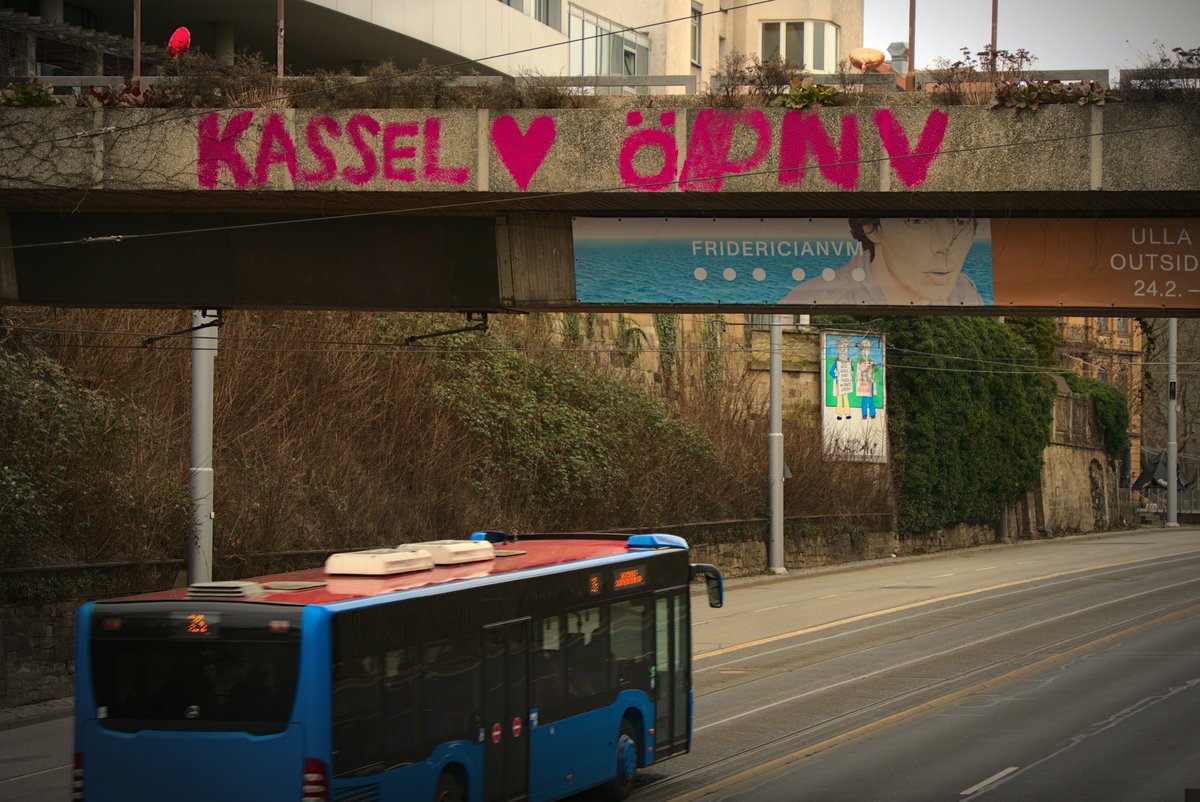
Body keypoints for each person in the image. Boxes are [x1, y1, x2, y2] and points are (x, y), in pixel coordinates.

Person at [780, 217, 983, 306]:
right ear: (872, 228)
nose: (945, 245)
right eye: (917, 221)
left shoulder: (964, 292)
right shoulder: (817, 298)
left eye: (959, 222)